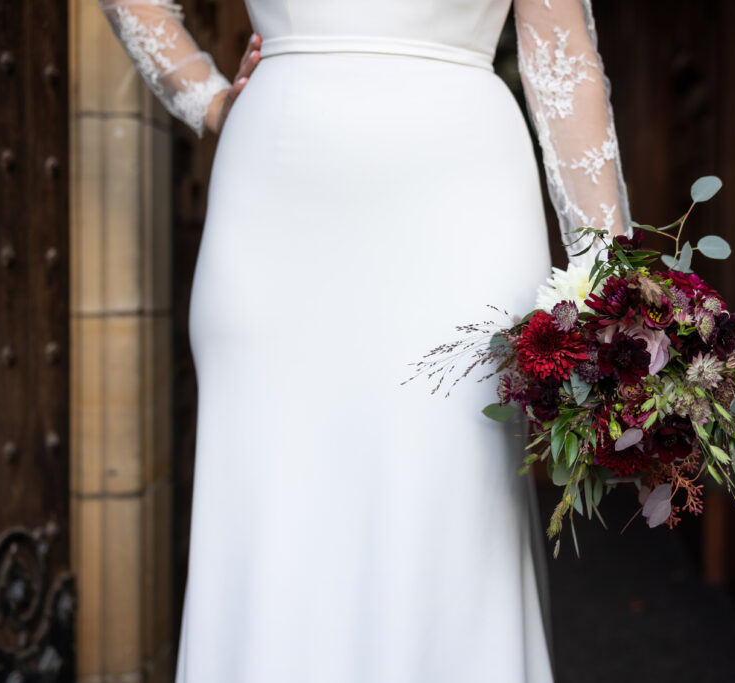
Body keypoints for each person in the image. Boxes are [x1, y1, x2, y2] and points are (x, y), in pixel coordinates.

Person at [97, 0, 631, 680]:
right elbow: (564, 58)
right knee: (277, 500)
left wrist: (613, 293)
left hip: (452, 195)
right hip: (285, 196)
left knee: (447, 498)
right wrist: (207, 98)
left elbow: (563, 57)